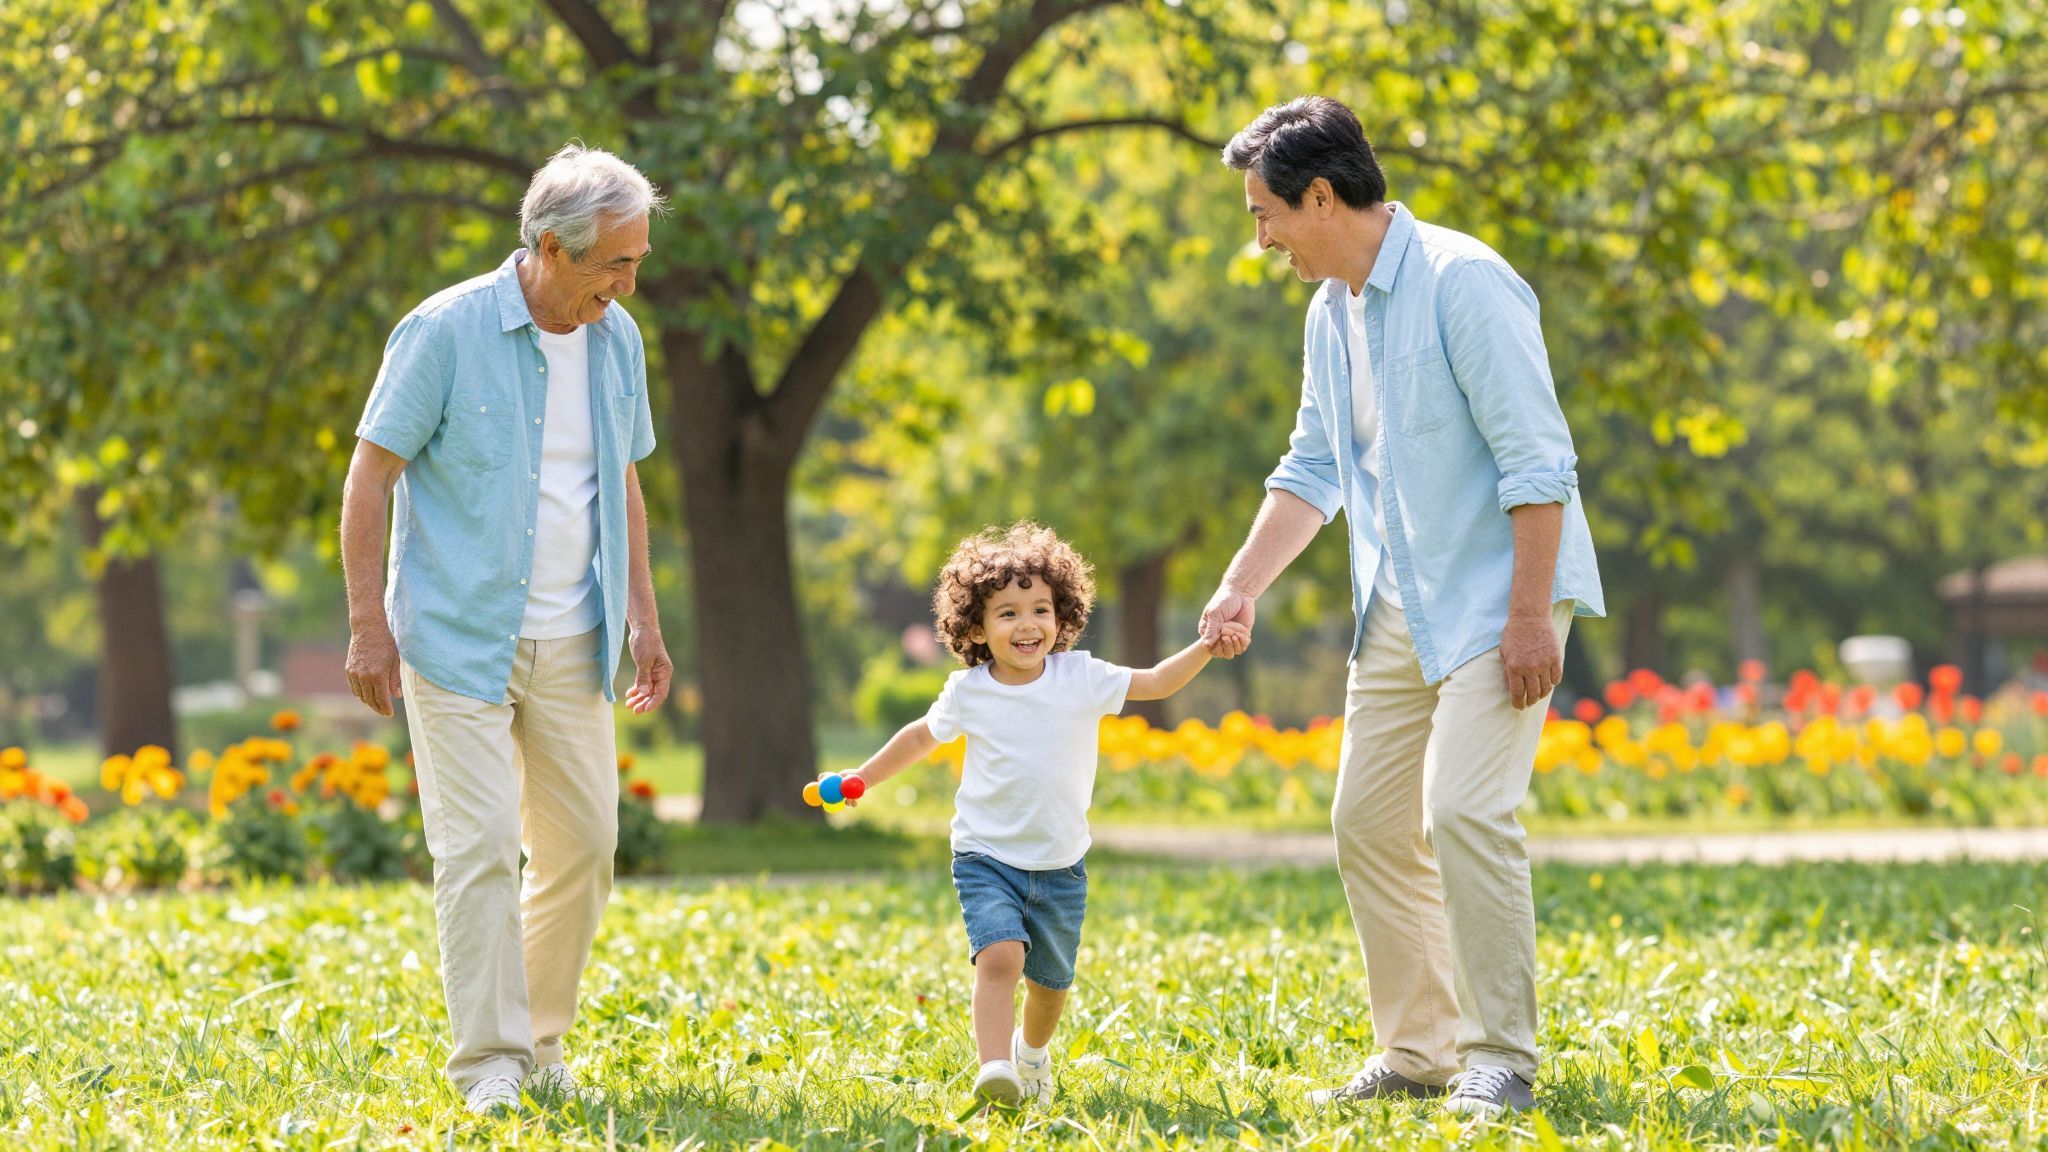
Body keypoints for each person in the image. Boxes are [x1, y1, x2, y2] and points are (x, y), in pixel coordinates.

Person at [1199, 96, 1605, 1119]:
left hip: (1496, 592)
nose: (1260, 237)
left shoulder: (1463, 283)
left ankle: (1499, 1060)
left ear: (1321, 195)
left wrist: (1525, 619)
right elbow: (1314, 466)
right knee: (1368, 822)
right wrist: (1240, 583)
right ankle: (1417, 1053)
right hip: (1397, 597)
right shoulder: (1327, 311)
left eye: (1264, 214)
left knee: (1463, 808)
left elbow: (1536, 461)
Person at [339, 143, 674, 1115]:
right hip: (455, 637)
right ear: (546, 246)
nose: (627, 283)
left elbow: (623, 480)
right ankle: (489, 1063)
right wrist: (368, 627)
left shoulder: (618, 342)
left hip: (577, 632)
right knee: (480, 845)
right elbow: (370, 478)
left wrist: (643, 618)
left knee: (583, 846)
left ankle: (539, 1043)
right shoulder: (443, 332)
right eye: (613, 263)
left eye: (637, 260)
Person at [843, 522, 1245, 1107]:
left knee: (1050, 988)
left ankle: (1031, 1053)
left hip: (1060, 865)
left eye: (1041, 609)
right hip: (985, 855)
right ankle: (995, 1068)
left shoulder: (1079, 677)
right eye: (1007, 614)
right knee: (1000, 957)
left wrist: (1207, 645)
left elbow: (1157, 683)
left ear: (1063, 615)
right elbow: (919, 739)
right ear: (976, 628)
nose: (1028, 624)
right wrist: (863, 777)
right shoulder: (970, 692)